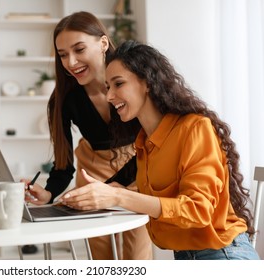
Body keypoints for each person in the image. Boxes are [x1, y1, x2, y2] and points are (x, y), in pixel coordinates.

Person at [59, 40, 260, 260]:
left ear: (147, 82)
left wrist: (118, 196)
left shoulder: (194, 128)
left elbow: (198, 211)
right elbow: (165, 201)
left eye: (118, 84)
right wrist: (105, 194)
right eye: (108, 87)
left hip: (223, 255)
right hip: (186, 257)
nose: (109, 96)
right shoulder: (145, 144)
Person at [23, 12, 153, 260]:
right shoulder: (63, 100)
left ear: (103, 43)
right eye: (62, 55)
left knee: (138, 255)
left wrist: (118, 187)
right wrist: (49, 193)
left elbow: (155, 140)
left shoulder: (135, 81)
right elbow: (63, 164)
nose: (71, 62)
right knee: (102, 255)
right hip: (93, 171)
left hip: (141, 163)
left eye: (79, 49)